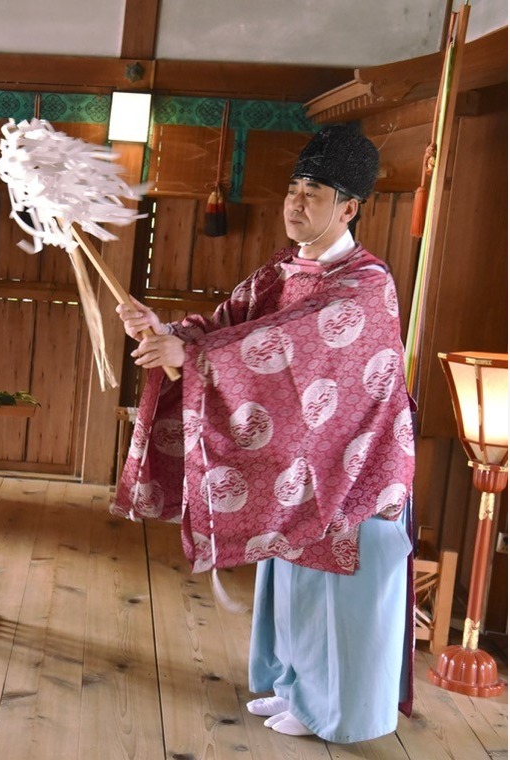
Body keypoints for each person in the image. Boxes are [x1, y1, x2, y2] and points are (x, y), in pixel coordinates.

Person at [112, 124, 415, 743]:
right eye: (293, 188)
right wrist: (163, 330)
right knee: (295, 581)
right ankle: (296, 688)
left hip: (357, 467)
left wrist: (192, 356)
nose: (296, 202)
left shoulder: (365, 283)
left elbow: (290, 344)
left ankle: (339, 713)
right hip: (302, 464)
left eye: (315, 192)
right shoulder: (282, 269)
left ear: (349, 207)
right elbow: (226, 327)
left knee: (341, 600)